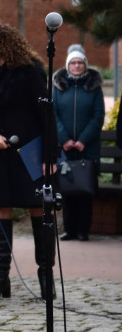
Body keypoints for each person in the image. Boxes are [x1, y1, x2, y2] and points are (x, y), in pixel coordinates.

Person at [0, 23, 54, 300]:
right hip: (0, 155)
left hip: (32, 154)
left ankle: (46, 277)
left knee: (39, 212)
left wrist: (49, 157)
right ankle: (1, 279)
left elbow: (47, 116)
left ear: (2, 47)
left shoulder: (32, 73)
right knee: (1, 212)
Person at [52, 45, 104, 242]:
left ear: (85, 65)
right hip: (65, 148)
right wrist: (64, 139)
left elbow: (98, 116)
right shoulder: (58, 88)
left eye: (79, 63)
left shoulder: (93, 88)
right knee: (67, 189)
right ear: (67, 66)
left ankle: (83, 230)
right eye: (72, 63)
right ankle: (69, 229)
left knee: (85, 189)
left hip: (87, 148)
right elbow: (53, 114)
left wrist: (82, 140)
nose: (76, 66)